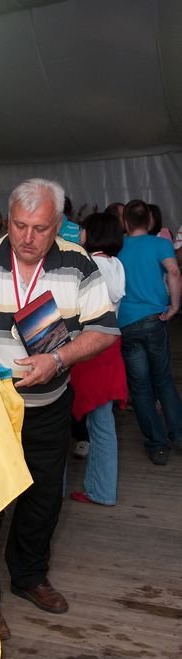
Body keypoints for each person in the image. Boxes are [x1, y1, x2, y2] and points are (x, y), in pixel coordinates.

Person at [0, 178, 117, 632]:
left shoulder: (78, 263)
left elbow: (105, 330)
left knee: (43, 498)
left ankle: (29, 577)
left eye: (41, 228)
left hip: (49, 404)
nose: (28, 238)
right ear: (6, 220)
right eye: (19, 226)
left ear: (59, 224)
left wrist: (58, 358)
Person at [118, 199, 182, 465]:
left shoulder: (118, 246)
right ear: (150, 221)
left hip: (126, 324)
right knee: (163, 379)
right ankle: (178, 435)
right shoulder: (159, 244)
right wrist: (175, 306)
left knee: (141, 387)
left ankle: (157, 446)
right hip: (155, 319)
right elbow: (174, 271)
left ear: (125, 223)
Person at [70, 213, 127, 505]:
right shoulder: (116, 264)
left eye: (83, 229)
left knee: (77, 423)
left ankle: (97, 490)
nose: (79, 233)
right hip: (110, 348)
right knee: (103, 424)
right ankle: (102, 490)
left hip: (89, 349)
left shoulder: (90, 264)